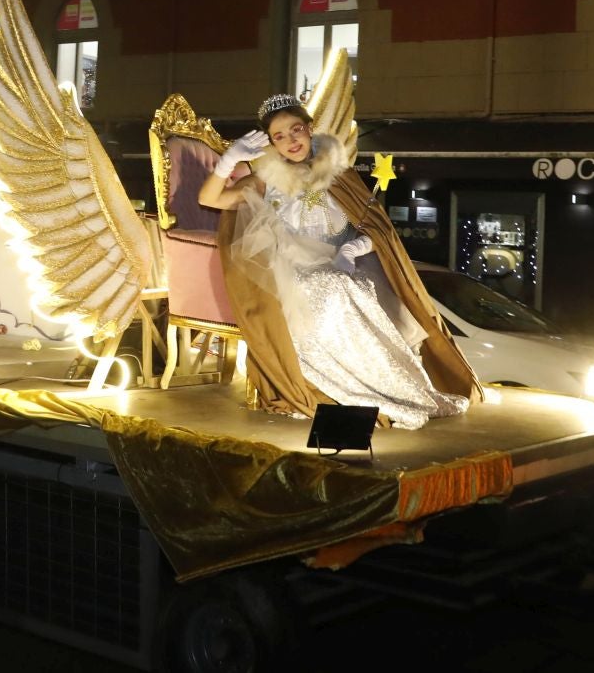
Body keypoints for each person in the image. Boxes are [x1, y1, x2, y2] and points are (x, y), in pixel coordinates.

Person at [196, 93, 478, 429]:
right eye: (279, 136)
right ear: (271, 143)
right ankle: (340, 386)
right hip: (291, 270)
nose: (291, 141)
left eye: (296, 130)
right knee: (328, 287)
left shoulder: (339, 175)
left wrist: (352, 250)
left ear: (309, 128)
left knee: (352, 286)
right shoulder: (265, 180)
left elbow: (379, 231)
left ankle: (390, 386)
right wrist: (229, 160)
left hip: (346, 264)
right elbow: (210, 198)